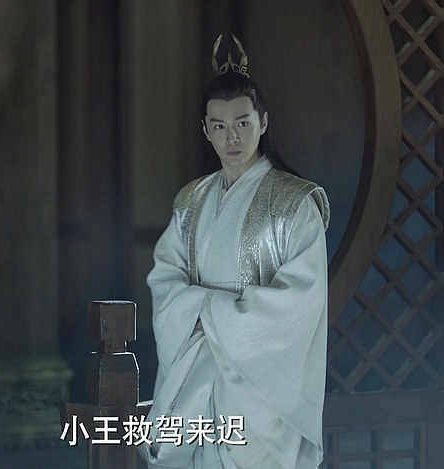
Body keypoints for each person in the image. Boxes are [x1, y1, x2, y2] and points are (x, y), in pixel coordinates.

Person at [140, 34, 330, 469]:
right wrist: (209, 314)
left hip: (260, 386)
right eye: (220, 126)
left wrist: (207, 311)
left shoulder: (295, 204)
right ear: (205, 129)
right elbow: (165, 280)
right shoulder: (191, 202)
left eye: (243, 123)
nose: (233, 137)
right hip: (196, 372)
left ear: (264, 122)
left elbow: (300, 302)